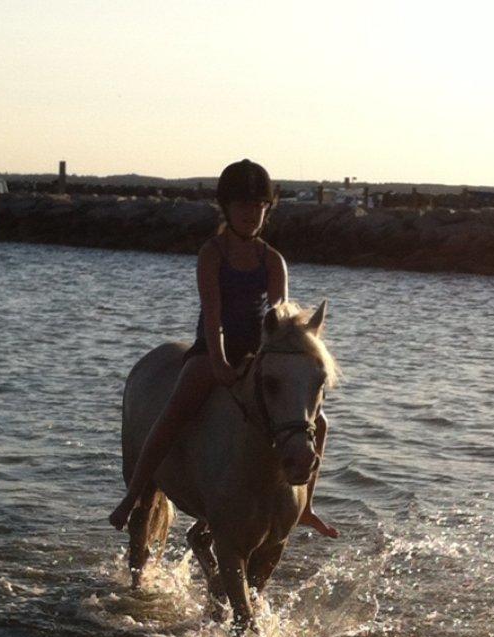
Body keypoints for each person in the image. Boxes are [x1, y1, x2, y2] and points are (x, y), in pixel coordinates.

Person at [109, 159, 337, 538]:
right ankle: (134, 493)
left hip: (260, 354)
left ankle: (306, 505)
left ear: (268, 209)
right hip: (210, 352)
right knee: (173, 411)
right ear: (226, 208)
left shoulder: (273, 260)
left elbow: (279, 316)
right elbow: (212, 315)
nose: (250, 214)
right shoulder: (213, 253)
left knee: (319, 421)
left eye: (258, 207)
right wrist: (218, 362)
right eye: (242, 206)